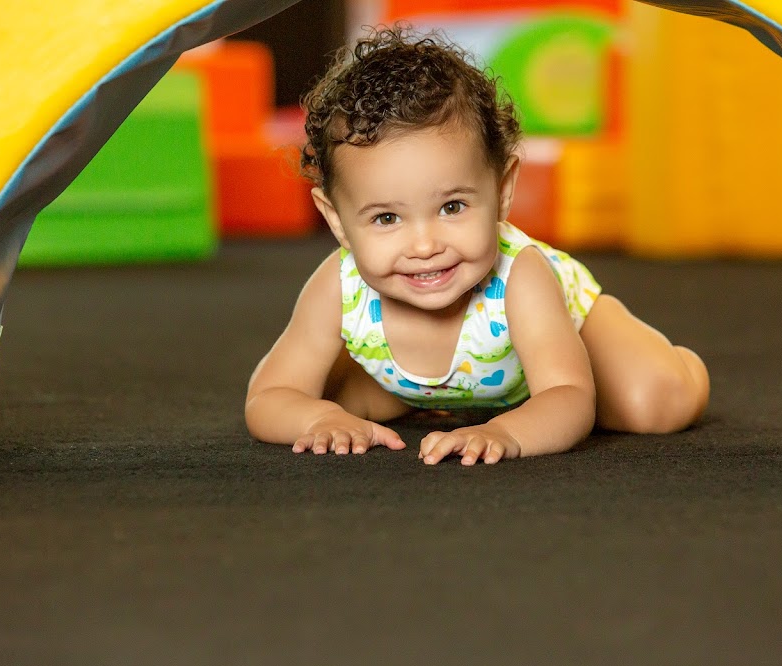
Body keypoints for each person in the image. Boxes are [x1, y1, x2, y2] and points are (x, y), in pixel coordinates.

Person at [245, 27, 709, 465]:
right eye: (387, 218)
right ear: (337, 221)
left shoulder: (521, 277)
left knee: (652, 403)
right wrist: (318, 418)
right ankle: (435, 399)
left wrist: (507, 433)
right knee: (335, 402)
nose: (425, 245)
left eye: (452, 207)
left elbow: (569, 395)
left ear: (502, 188)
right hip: (413, 381)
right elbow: (269, 396)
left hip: (561, 342)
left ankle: (678, 363)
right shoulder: (337, 286)